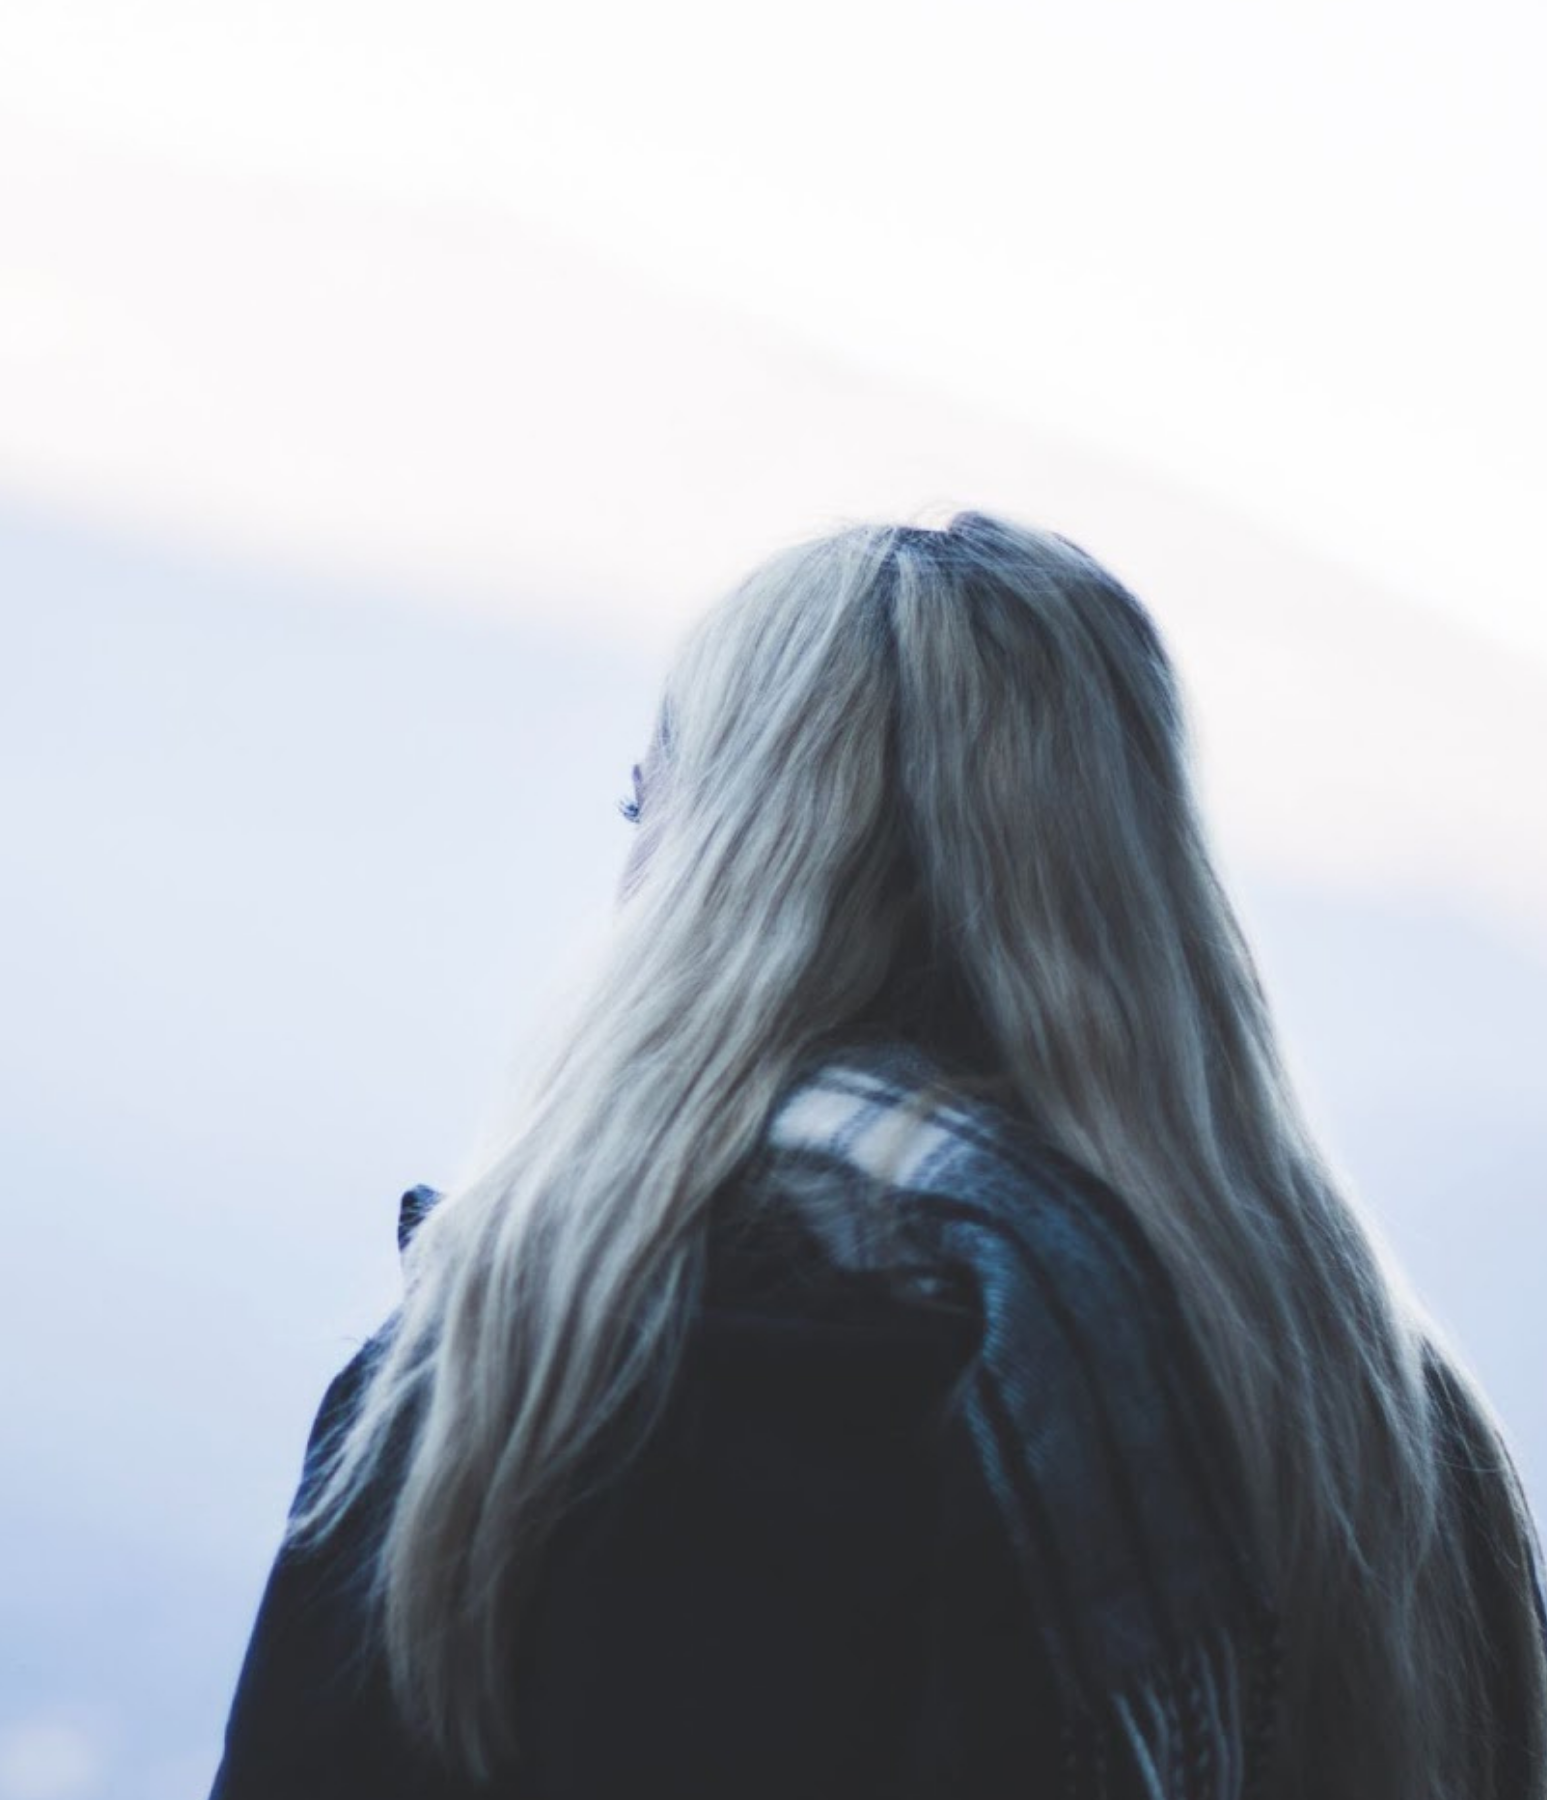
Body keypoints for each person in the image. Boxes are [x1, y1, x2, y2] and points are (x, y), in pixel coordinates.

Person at [206, 512, 1547, 1799]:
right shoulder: (1388, 1427)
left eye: (644, 812)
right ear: (1144, 891)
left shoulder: (549, 1378)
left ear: (725, 872)